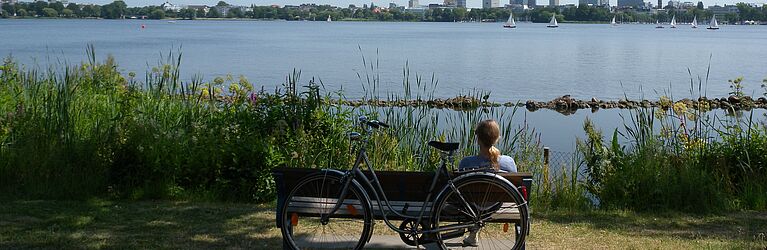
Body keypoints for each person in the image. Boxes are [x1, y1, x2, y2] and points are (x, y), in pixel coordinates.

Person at [458, 119, 518, 247]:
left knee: (469, 197)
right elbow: (514, 188)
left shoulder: (466, 163)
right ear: (497, 139)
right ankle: (473, 235)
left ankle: (472, 234)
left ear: (478, 139)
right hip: (495, 205)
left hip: (471, 206)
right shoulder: (508, 162)